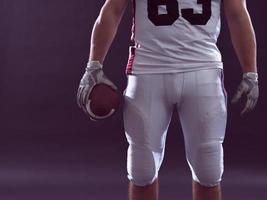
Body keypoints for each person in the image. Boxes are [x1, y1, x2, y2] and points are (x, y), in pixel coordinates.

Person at [77, 0, 259, 199]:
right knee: (142, 170)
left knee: (209, 170)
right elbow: (112, 9)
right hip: (148, 69)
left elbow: (238, 14)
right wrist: (93, 64)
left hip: (202, 69)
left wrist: (251, 72)